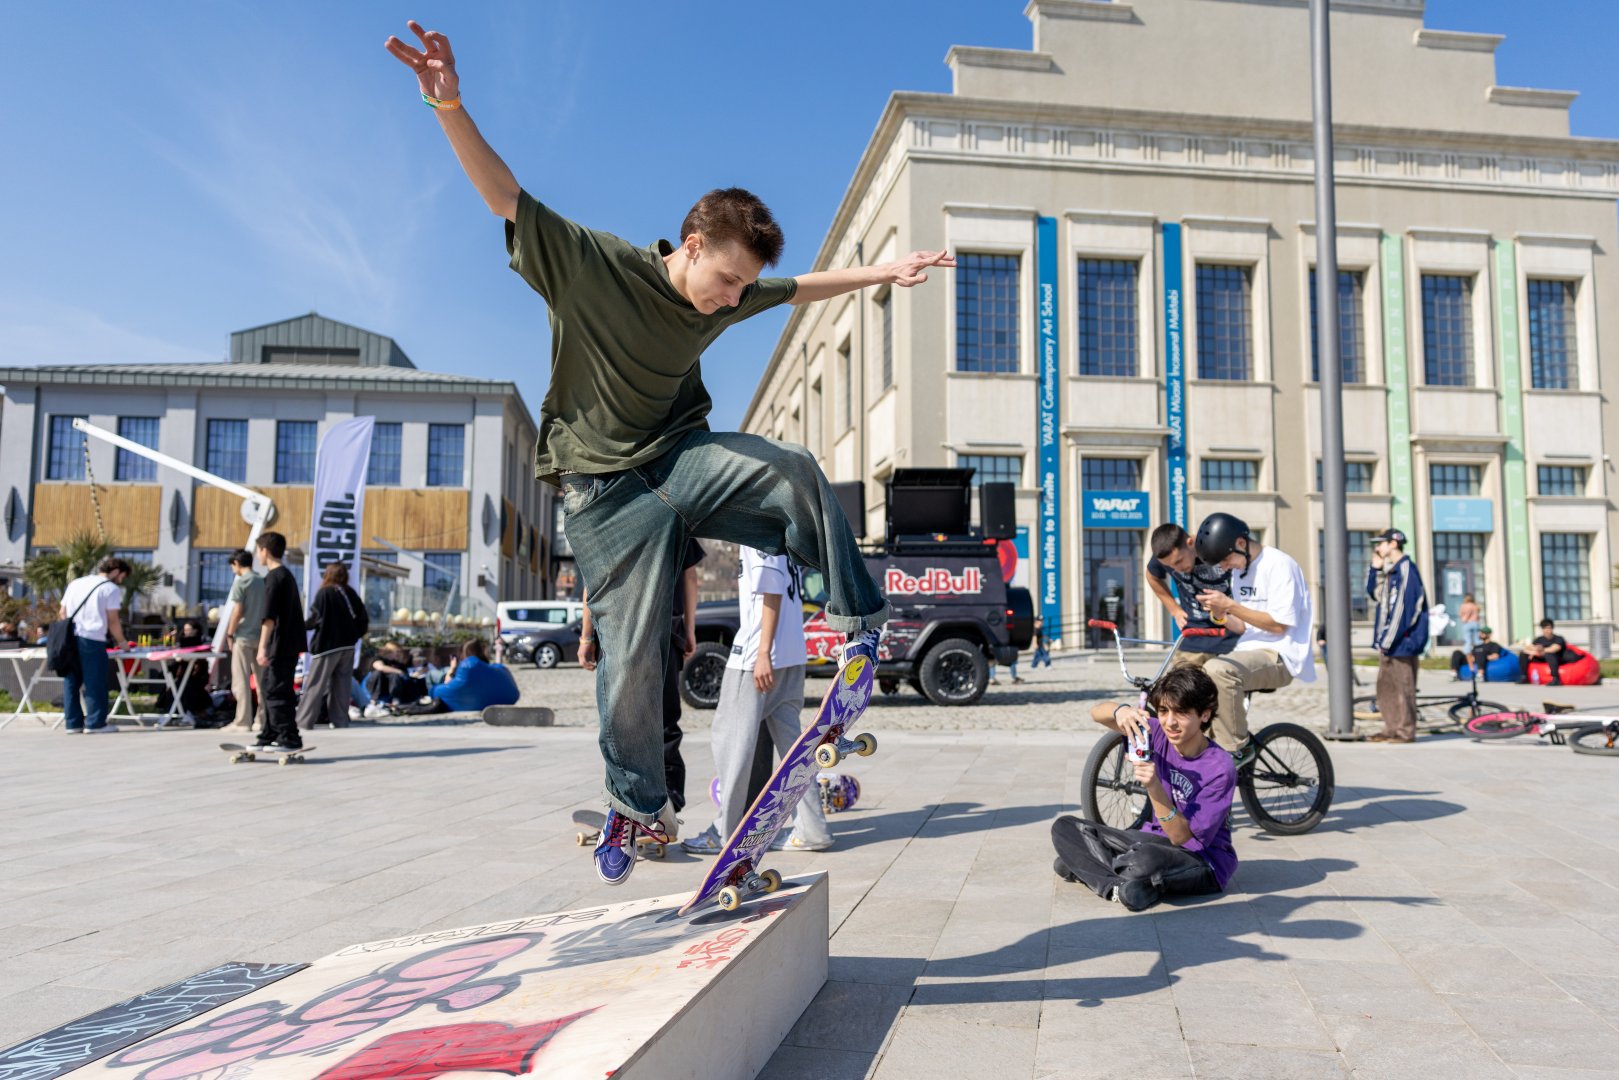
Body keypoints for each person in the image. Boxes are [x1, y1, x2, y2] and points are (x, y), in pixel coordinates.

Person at [384, 22, 945, 884]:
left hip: (680, 459)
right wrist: (449, 105)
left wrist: (885, 272)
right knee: (630, 663)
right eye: (724, 281)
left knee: (791, 468)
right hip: (603, 495)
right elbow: (504, 196)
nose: (730, 300)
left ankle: (858, 624)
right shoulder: (593, 266)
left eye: (741, 288)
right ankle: (639, 806)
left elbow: (801, 287)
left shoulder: (731, 291)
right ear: (690, 246)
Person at [684, 549, 831, 859]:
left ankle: (725, 833)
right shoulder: (784, 535)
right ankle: (812, 829)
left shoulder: (757, 536)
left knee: (730, 745)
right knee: (794, 752)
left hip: (756, 658)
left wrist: (763, 653)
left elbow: (771, 590)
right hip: (791, 654)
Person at [1051, 666, 1236, 911]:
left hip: (1201, 860)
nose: (1170, 722)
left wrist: (1153, 786)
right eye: (1163, 711)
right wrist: (1120, 711)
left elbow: (1180, 838)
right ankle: (1121, 885)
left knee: (1145, 860)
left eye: (1181, 712)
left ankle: (1093, 870)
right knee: (1064, 827)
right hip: (1151, 839)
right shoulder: (1156, 732)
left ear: (1204, 714)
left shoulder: (1220, 768)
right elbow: (1097, 713)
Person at [1191, 513, 1315, 765]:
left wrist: (1230, 605)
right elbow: (1242, 626)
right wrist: (1220, 613)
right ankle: (1206, 749)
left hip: (1281, 654)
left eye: (1226, 560)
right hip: (1249, 650)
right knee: (1192, 678)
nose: (1225, 567)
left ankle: (1236, 749)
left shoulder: (1280, 565)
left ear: (1241, 543)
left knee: (1219, 670)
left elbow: (1278, 625)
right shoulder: (1241, 571)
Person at [1145, 522, 1244, 668]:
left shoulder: (1219, 547)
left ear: (1190, 543)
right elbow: (1151, 576)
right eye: (1170, 566)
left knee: (1223, 678)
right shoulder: (1167, 555)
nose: (1177, 569)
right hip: (1193, 636)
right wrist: (1174, 610)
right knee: (1179, 680)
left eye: (1179, 561)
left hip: (1232, 635)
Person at [1366, 528, 1429, 744]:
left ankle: (1405, 731)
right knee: (1386, 688)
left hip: (1402, 642)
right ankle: (1391, 728)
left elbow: (1404, 610)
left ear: (1393, 544)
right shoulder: (1391, 572)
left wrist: (1387, 640)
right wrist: (1375, 569)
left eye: (1381, 543)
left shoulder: (1406, 570)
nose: (1377, 548)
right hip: (1389, 642)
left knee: (1404, 688)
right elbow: (1376, 595)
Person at [58, 557, 131, 734]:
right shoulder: (110, 588)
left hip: (70, 638)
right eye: (122, 577)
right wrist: (122, 642)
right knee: (95, 681)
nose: (120, 581)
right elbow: (113, 620)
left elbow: (62, 612)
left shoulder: (76, 583)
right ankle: (95, 723)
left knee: (71, 681)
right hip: (93, 638)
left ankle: (73, 724)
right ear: (115, 571)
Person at [297, 563, 369, 730]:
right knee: (342, 686)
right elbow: (363, 619)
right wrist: (353, 635)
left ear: (328, 574)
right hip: (348, 646)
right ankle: (340, 721)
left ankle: (303, 722)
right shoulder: (350, 593)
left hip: (327, 646)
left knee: (315, 685)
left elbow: (316, 618)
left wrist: (299, 627)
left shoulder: (325, 593)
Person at [254, 532, 305, 752]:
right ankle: (269, 734)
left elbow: (269, 618)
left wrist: (262, 647)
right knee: (270, 689)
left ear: (265, 551)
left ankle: (289, 737)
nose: (257, 555)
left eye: (258, 551)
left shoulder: (275, 578)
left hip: (280, 644)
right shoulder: (287, 576)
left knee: (276, 691)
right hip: (287, 644)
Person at [400, 638, 519, 714]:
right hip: (488, 694)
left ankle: (430, 698)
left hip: (459, 690)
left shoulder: (468, 666)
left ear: (463, 652)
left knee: (432, 674)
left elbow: (450, 685)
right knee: (439, 672)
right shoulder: (490, 666)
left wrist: (452, 668)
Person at [223, 550, 266, 734]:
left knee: (241, 680)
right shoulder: (262, 580)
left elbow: (238, 610)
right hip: (262, 636)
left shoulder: (241, 582)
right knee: (262, 681)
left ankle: (242, 721)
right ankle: (262, 720)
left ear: (236, 563)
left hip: (243, 636)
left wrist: (230, 633)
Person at [364, 642, 427, 716]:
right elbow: (380, 667)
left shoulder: (400, 665)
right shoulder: (379, 659)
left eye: (400, 652)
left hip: (392, 689)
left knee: (396, 676)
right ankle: (373, 703)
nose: (399, 654)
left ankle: (395, 702)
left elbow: (407, 678)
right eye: (397, 651)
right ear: (389, 651)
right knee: (380, 673)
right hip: (376, 686)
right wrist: (398, 671)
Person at [1518, 618, 1568, 685]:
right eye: (1544, 628)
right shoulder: (1539, 639)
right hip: (1542, 658)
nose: (1546, 630)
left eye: (1548, 628)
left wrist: (1541, 650)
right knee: (1523, 654)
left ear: (1552, 628)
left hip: (1556, 658)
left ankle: (1556, 679)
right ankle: (1524, 676)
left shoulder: (1558, 638)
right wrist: (1535, 650)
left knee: (1549, 654)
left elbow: (1554, 649)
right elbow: (1528, 648)